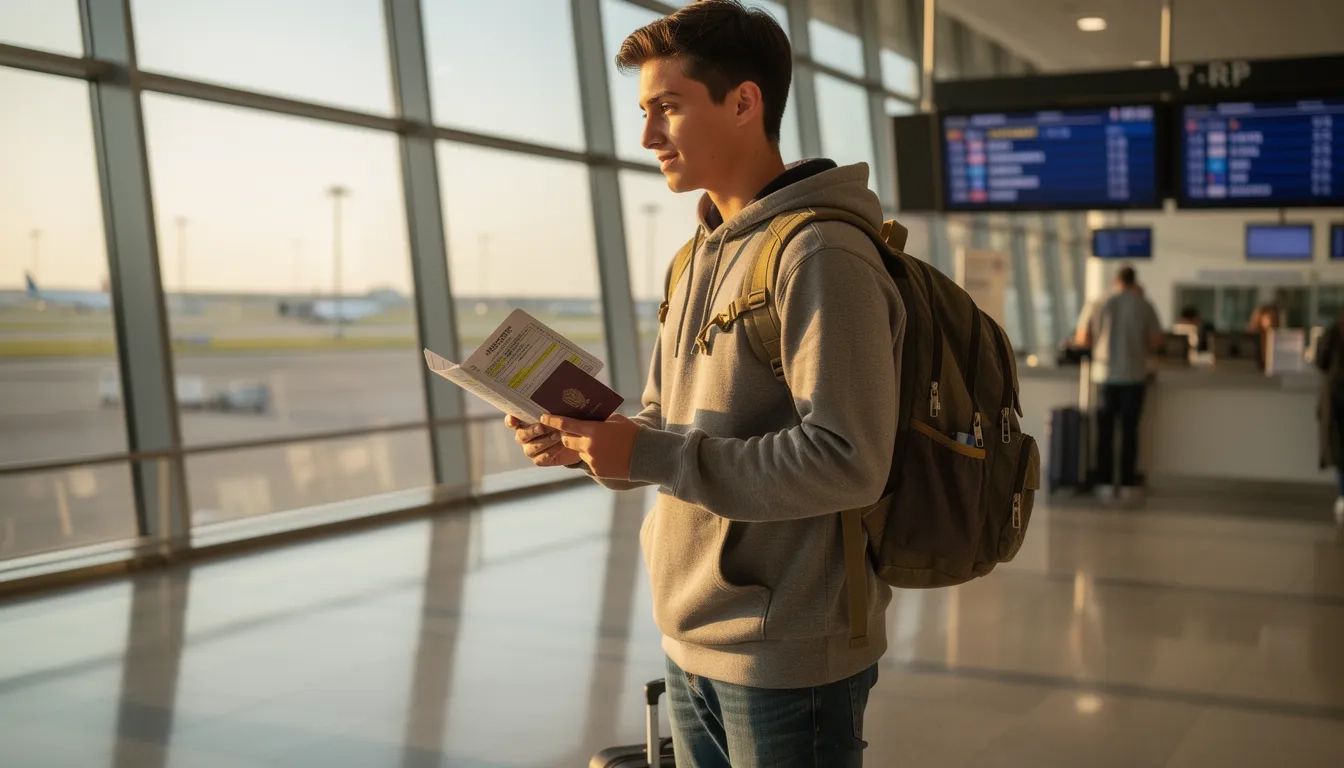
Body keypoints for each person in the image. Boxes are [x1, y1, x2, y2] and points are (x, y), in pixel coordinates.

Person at [506, 2, 903, 765]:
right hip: (688, 631)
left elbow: (848, 459)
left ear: (744, 102)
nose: (647, 136)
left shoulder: (820, 253)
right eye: (644, 111)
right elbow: (666, 419)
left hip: (787, 651)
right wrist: (593, 442)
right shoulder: (694, 257)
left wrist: (651, 456)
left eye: (668, 108)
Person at [1075, 266, 1162, 502]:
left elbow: (1082, 338)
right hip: (1134, 375)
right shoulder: (1144, 305)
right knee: (1129, 430)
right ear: (1135, 281)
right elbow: (1155, 341)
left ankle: (1103, 481)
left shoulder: (1098, 303)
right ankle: (1126, 482)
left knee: (1104, 431)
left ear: (1116, 280)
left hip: (1105, 375)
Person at [1314, 311, 1344, 524]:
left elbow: (1320, 361)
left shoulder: (1334, 331)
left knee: (1340, 452)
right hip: (1336, 399)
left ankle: (1343, 498)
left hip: (1336, 398)